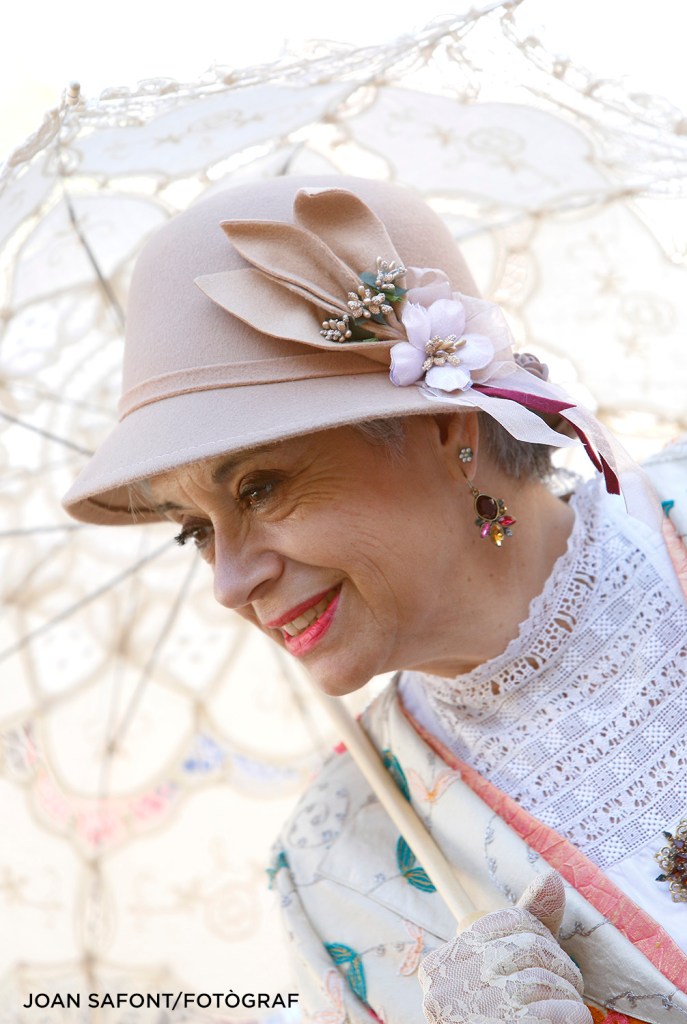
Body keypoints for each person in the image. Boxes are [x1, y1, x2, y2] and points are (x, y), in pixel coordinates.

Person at [62, 176, 687, 1023]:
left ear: (445, 429)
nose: (228, 583)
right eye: (194, 531)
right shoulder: (336, 871)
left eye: (258, 488)